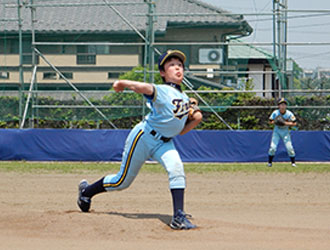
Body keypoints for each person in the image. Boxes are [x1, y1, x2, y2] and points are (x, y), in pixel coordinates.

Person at [77, 50, 202, 230]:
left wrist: (195, 117)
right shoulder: (163, 90)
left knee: (177, 169)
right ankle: (86, 192)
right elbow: (144, 87)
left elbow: (181, 131)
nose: (177, 68)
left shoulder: (183, 98)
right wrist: (123, 83)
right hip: (144, 137)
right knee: (122, 181)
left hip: (165, 142)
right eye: (171, 65)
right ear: (162, 72)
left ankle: (178, 216)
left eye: (180, 65)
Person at [268, 98, 297, 167]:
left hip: (285, 132)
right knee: (272, 147)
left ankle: (293, 163)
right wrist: (276, 122)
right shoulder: (275, 112)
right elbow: (270, 121)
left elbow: (294, 123)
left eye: (284, 104)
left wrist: (285, 123)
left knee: (290, 148)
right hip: (277, 131)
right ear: (278, 106)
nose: (283, 106)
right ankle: (269, 163)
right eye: (281, 104)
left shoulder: (289, 113)